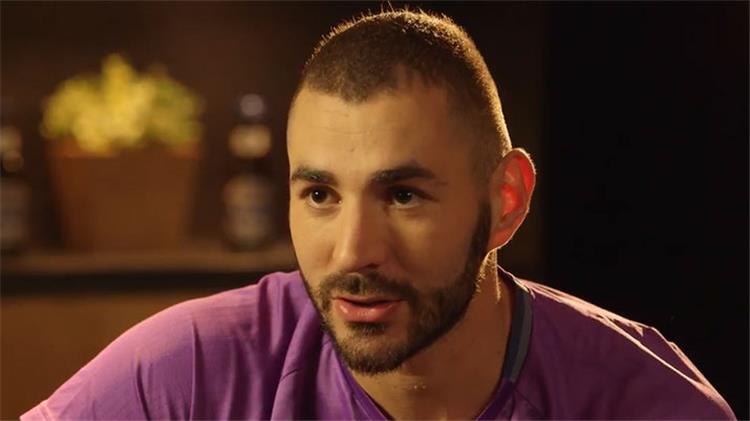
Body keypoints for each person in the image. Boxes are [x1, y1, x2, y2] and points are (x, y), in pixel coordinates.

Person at [22, 9, 735, 420]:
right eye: (320, 196)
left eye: (403, 195)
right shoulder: (187, 374)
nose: (352, 252)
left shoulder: (645, 402)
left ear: (506, 201)